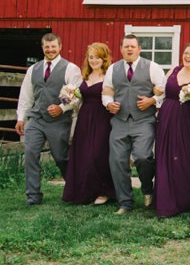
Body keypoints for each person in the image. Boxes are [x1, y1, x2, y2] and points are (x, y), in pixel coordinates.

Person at [16, 33, 82, 205]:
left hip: (59, 121)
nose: (50, 50)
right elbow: (26, 96)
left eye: (53, 46)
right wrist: (21, 118)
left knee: (61, 157)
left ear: (60, 47)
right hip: (36, 119)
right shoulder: (33, 70)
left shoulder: (71, 68)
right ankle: (33, 195)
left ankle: (74, 189)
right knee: (30, 153)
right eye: (47, 47)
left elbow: (77, 95)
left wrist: (61, 107)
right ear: (42, 48)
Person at [103, 34, 165, 214]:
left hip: (144, 120)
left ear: (139, 49)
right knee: (117, 161)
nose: (129, 49)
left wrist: (152, 100)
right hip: (120, 121)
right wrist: (108, 103)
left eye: (132, 46)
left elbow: (163, 90)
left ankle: (147, 189)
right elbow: (107, 92)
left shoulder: (152, 67)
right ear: (121, 49)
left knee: (143, 156)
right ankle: (125, 202)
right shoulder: (113, 69)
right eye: (126, 46)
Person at [151, 43, 190, 218]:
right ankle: (166, 199)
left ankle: (189, 198)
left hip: (189, 121)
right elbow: (161, 91)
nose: (187, 56)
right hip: (167, 118)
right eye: (186, 53)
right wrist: (156, 92)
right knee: (166, 157)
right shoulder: (174, 70)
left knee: (188, 157)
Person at [62, 42, 116, 205]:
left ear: (104, 58)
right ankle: (82, 191)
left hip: (102, 118)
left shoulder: (109, 76)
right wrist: (69, 97)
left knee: (98, 154)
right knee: (83, 153)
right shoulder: (84, 76)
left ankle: (103, 191)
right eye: (91, 57)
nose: (94, 60)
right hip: (85, 118)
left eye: (98, 57)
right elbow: (77, 99)